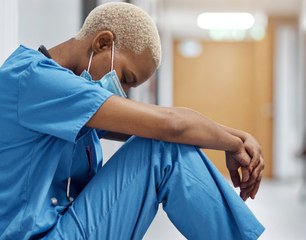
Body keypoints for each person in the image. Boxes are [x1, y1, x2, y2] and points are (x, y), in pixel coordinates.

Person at [0, 2, 265, 239]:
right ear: (103, 43)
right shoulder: (34, 79)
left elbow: (161, 128)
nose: (121, 90)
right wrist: (233, 143)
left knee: (161, 144)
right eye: (126, 78)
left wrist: (241, 137)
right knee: (163, 148)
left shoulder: (72, 100)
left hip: (65, 227)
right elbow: (172, 125)